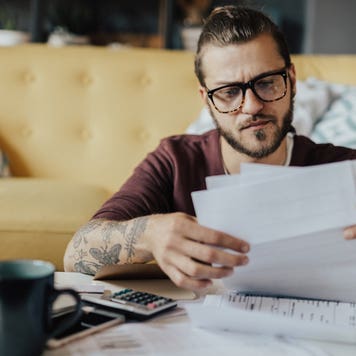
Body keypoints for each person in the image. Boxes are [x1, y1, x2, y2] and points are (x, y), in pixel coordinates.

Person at [64, 5, 356, 291]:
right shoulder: (174, 161)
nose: (252, 106)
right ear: (206, 100)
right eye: (229, 92)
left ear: (291, 81)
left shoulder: (344, 168)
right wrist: (150, 234)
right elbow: (75, 254)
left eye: (267, 83)